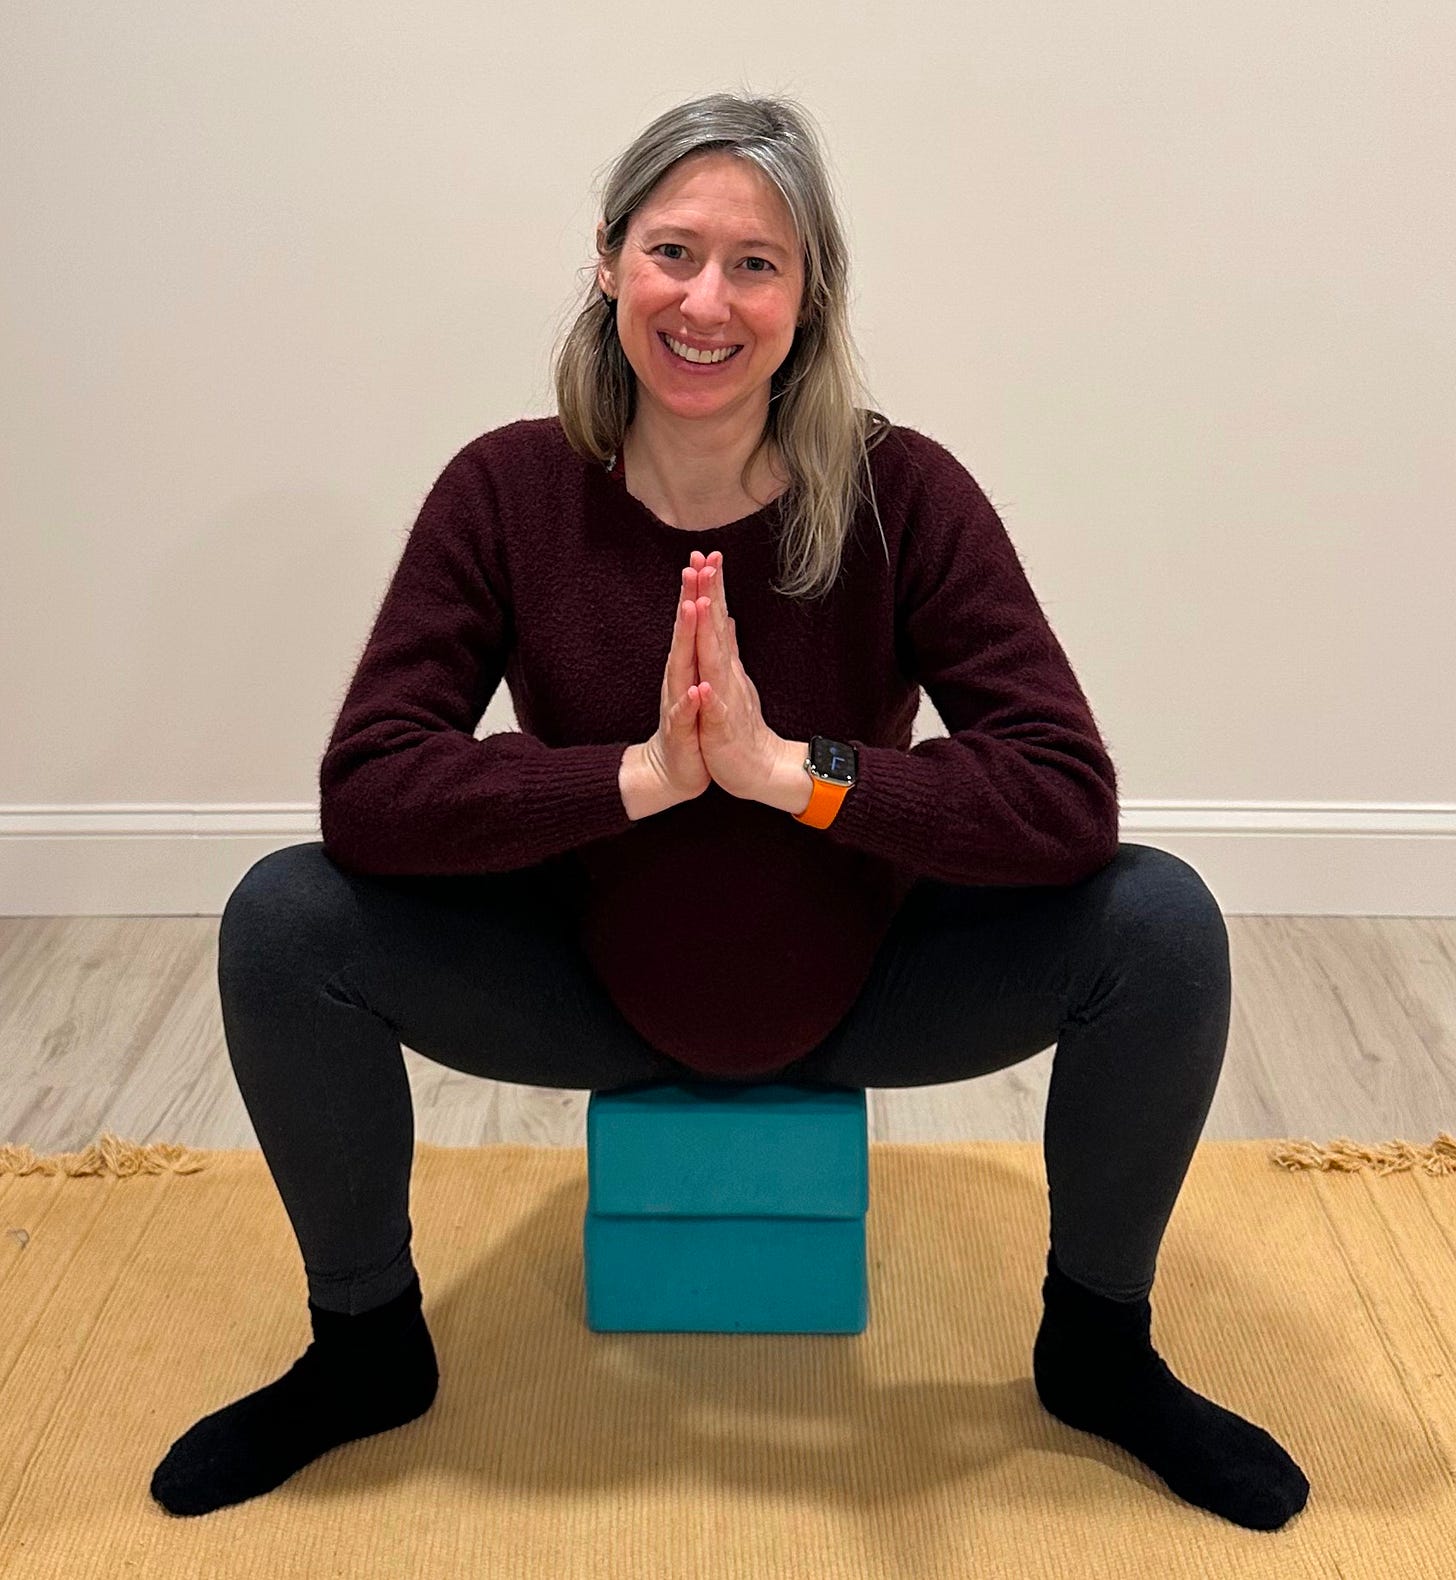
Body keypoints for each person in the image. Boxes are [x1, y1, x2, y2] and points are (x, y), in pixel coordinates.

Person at [151, 92, 1308, 1531]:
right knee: (284, 916)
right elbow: (372, 783)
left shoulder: (904, 491)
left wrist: (793, 772)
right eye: (673, 251)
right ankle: (365, 1344)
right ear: (608, 262)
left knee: (1162, 923)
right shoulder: (508, 489)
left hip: (865, 978)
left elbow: (1066, 792)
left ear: (810, 292)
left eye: (755, 263)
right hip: (588, 981)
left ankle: (1099, 1348)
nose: (709, 300)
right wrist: (639, 777)